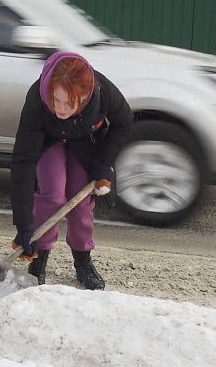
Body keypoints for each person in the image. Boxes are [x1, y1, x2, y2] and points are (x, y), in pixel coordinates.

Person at [11, 51, 133, 290]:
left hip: (84, 143)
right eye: (56, 100)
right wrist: (24, 224)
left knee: (81, 202)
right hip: (48, 143)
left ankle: (83, 261)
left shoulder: (102, 92)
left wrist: (103, 162)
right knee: (52, 194)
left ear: (85, 96)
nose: (60, 109)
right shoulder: (37, 99)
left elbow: (124, 121)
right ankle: (38, 258)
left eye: (68, 103)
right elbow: (23, 161)